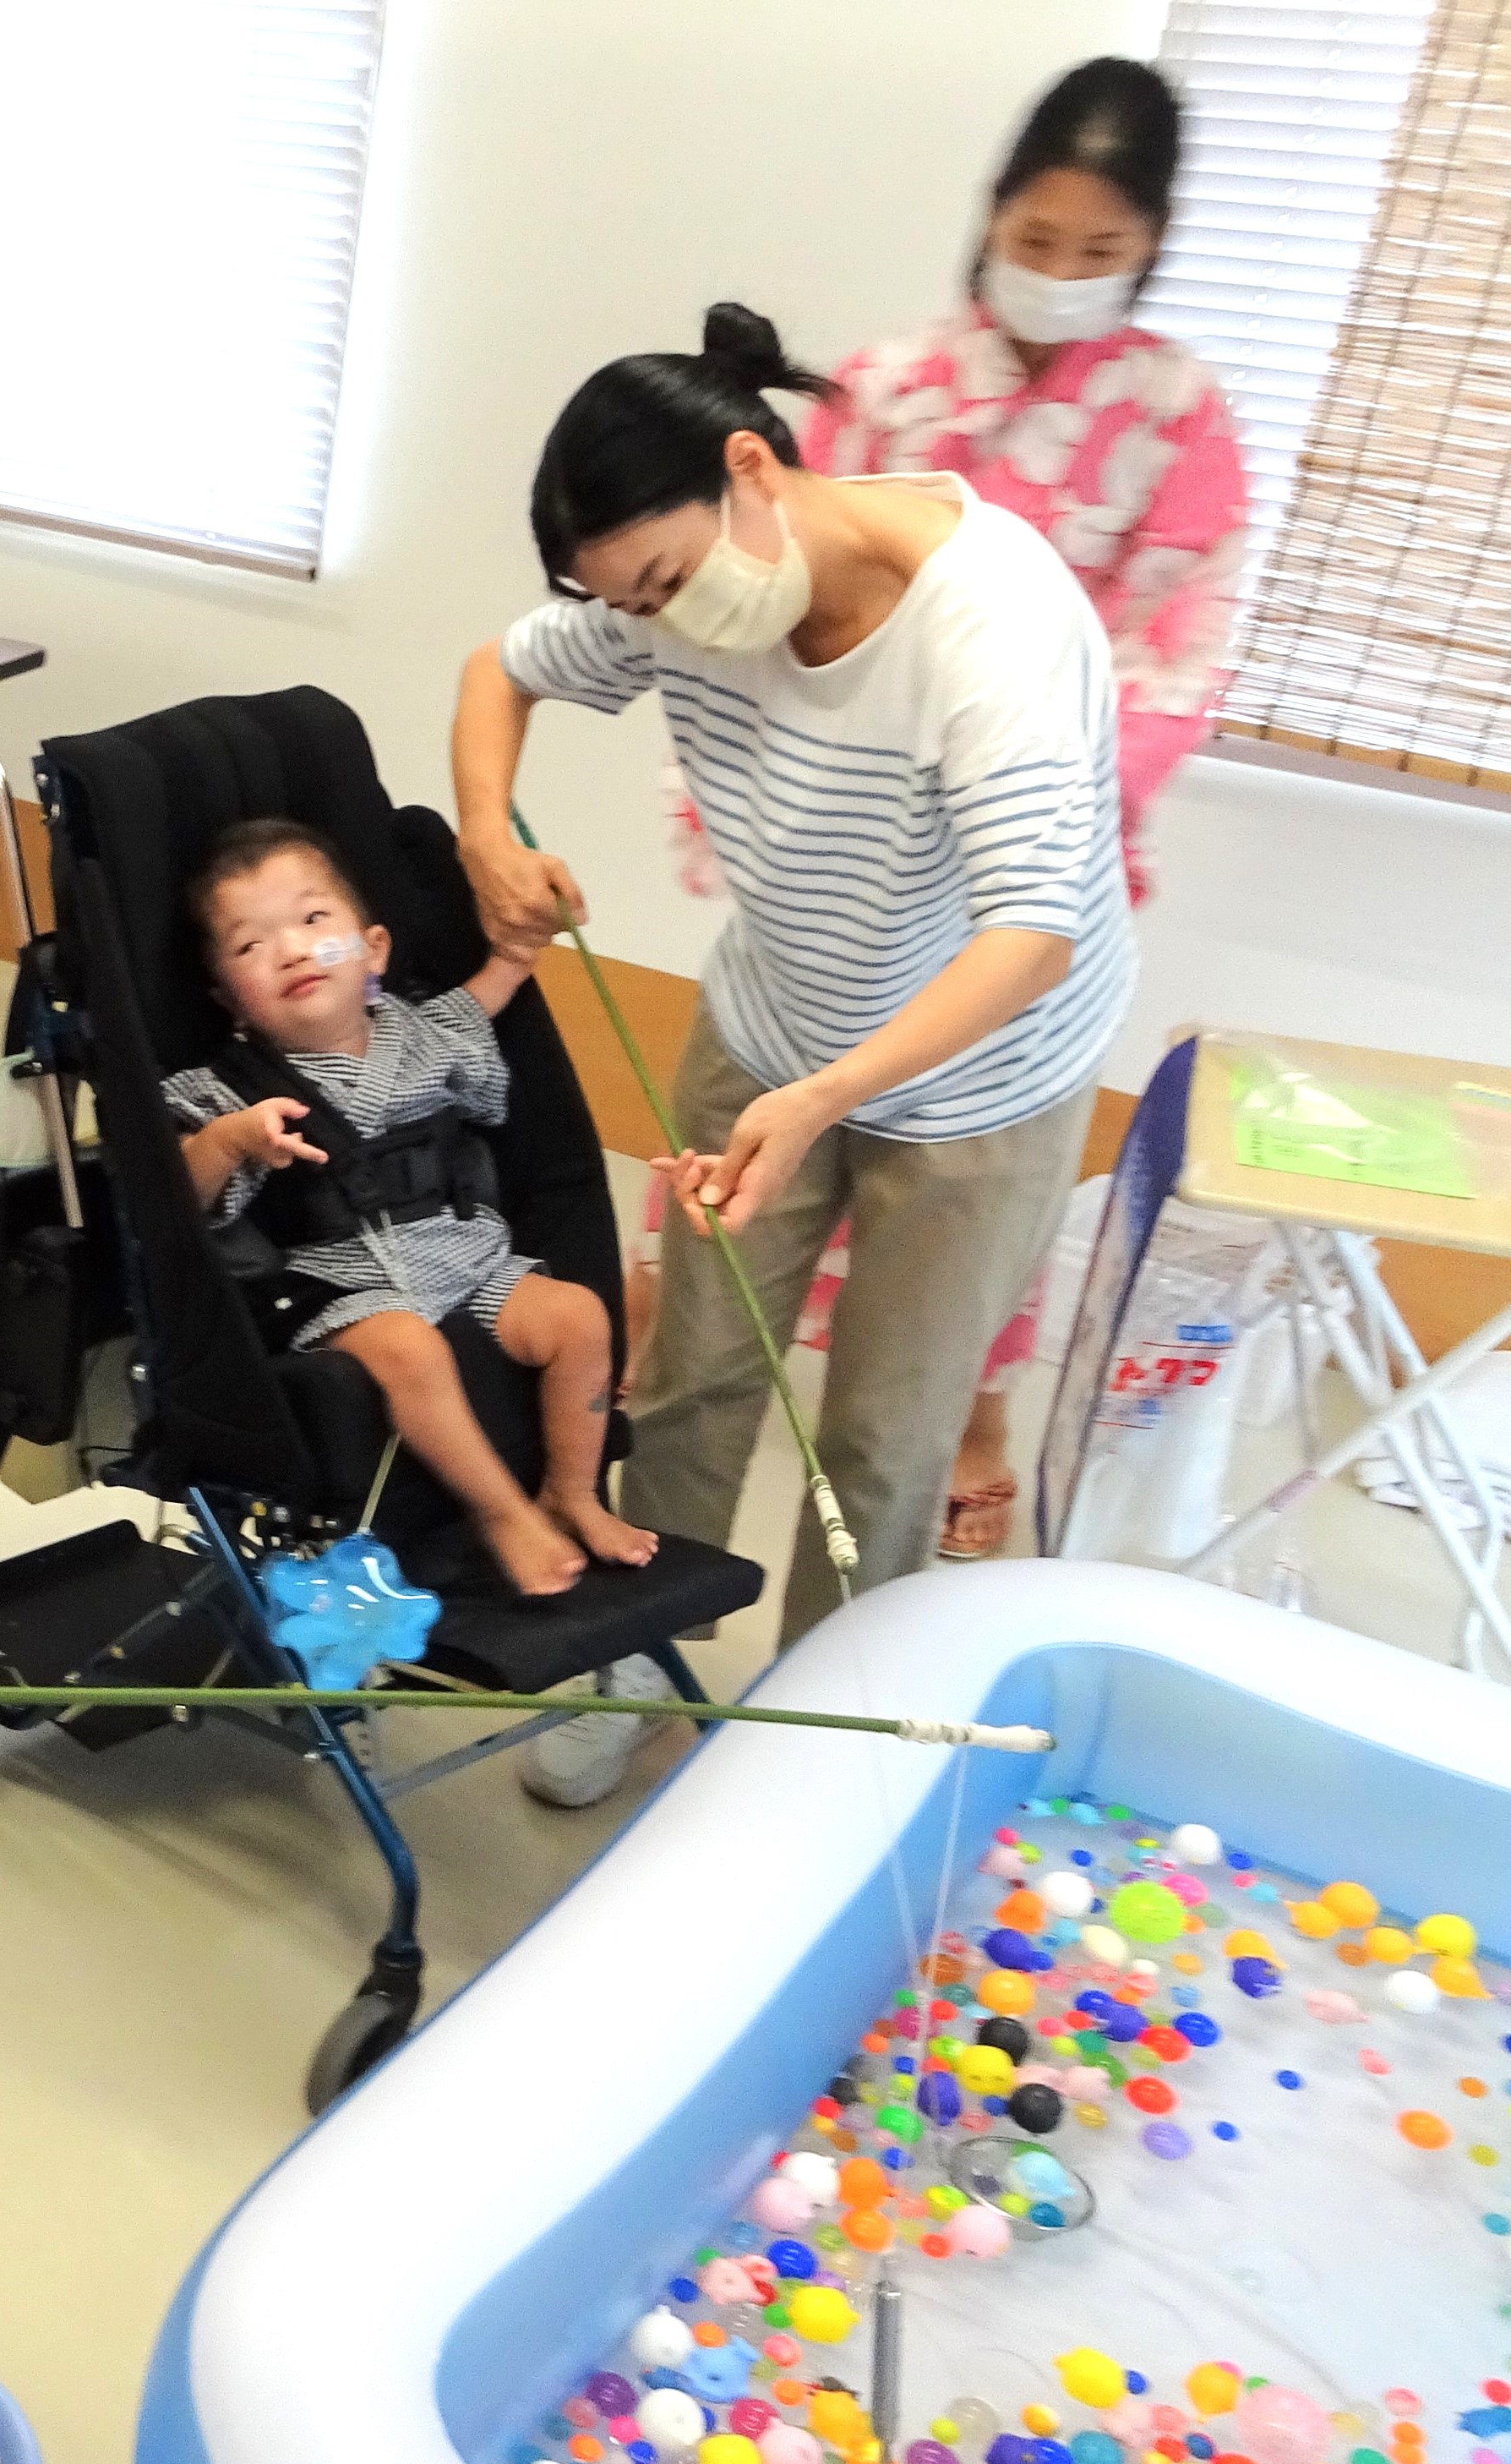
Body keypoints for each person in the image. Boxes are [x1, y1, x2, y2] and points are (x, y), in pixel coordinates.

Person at [455, 303, 1130, 1652]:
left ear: (754, 471)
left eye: (662, 581)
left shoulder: (990, 627)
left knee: (885, 1431)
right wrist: (486, 835)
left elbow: (1032, 933)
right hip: (770, 1027)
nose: (659, 625)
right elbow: (500, 668)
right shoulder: (673, 602)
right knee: (698, 1374)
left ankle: (819, 1711)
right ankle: (646, 1654)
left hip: (981, 1083)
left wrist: (834, 1096)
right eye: (630, 603)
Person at [792, 58, 1246, 1554]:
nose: (1060, 274)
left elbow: (1178, 642)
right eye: (1038, 241)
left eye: (1099, 253)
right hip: (856, 836)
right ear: (994, 218)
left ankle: (962, 1417)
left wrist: (1031, 789)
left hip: (1031, 857)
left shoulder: (1179, 415)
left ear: (1152, 246)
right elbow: (788, 580)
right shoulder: (887, 385)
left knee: (974, 1182)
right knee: (788, 1135)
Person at [159, 817, 645, 1597]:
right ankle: (502, 1512)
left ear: (373, 949)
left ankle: (573, 1492)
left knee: (581, 1316)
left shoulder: (429, 1032)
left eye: (316, 921)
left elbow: (489, 993)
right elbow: (170, 1198)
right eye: (252, 945)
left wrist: (520, 951)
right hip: (340, 1282)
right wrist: (231, 1140)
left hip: (463, 1255)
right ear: (229, 998)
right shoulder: (228, 1089)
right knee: (411, 1348)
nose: (293, 950)